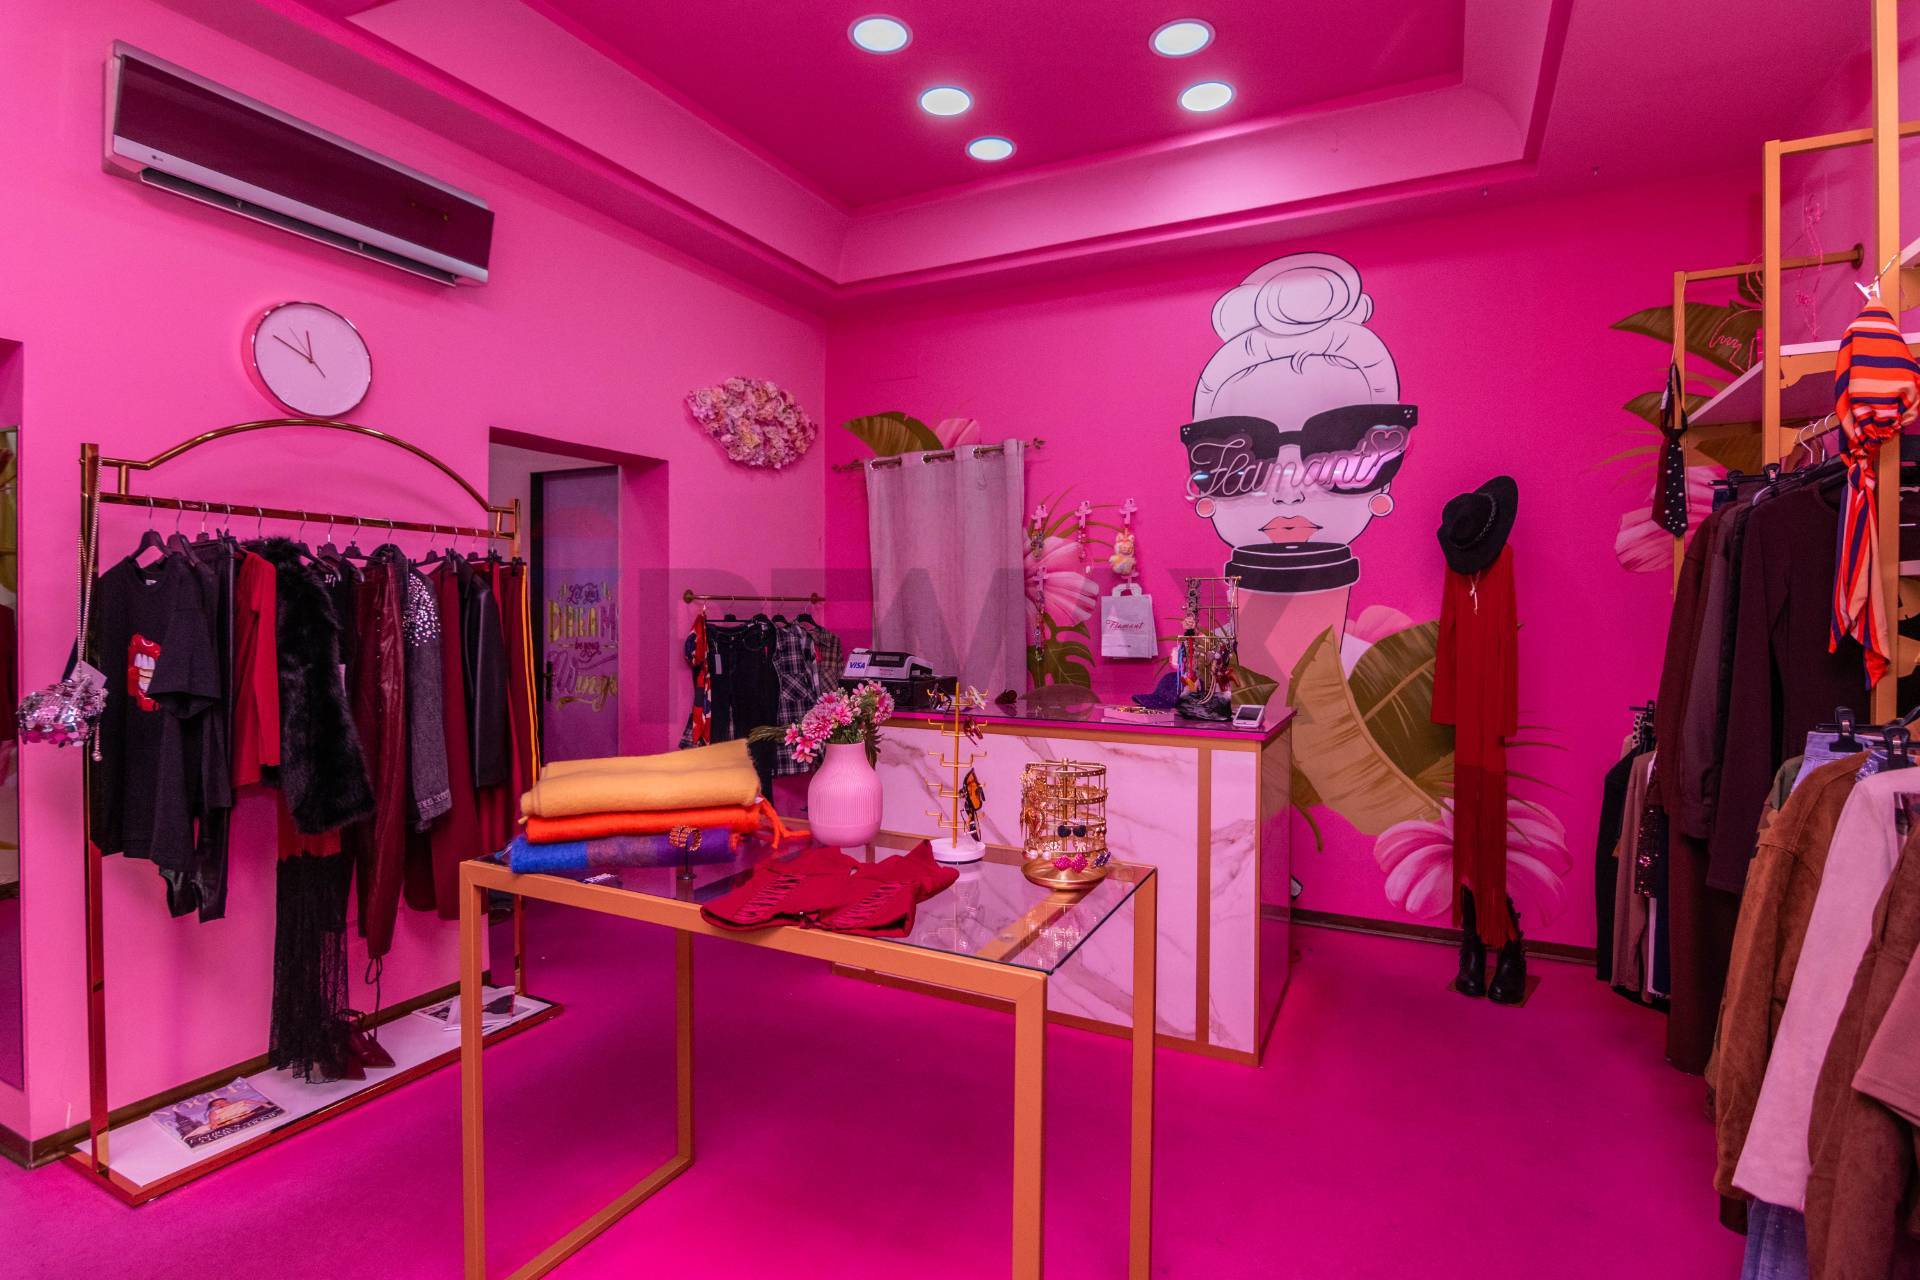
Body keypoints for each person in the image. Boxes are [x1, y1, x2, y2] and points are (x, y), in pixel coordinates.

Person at [1182, 252, 1416, 698]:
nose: (1289, 493)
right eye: (1246, 453)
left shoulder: (1378, 681)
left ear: (1383, 478)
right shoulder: (1204, 671)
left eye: (1337, 443)